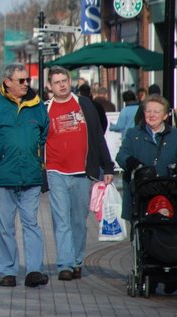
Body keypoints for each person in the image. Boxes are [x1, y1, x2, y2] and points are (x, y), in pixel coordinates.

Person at [0, 63, 49, 289]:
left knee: (31, 224)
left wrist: (34, 154)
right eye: (21, 81)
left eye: (27, 80)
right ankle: (7, 270)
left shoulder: (36, 106)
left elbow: (43, 132)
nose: (26, 84)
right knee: (4, 225)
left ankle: (34, 270)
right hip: (3, 176)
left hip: (30, 176)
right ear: (7, 82)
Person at [43, 66, 114, 281]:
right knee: (61, 219)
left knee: (78, 220)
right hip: (55, 171)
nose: (62, 85)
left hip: (82, 171)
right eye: (57, 82)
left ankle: (77, 261)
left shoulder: (84, 105)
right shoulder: (44, 109)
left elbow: (97, 136)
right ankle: (65, 264)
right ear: (49, 86)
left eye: (64, 80)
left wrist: (107, 166)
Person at [116, 94, 177, 222]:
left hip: (170, 194)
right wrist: (132, 162)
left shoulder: (174, 135)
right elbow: (121, 156)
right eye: (148, 111)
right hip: (141, 195)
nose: (152, 115)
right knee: (142, 234)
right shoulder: (134, 133)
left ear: (165, 115)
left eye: (156, 111)